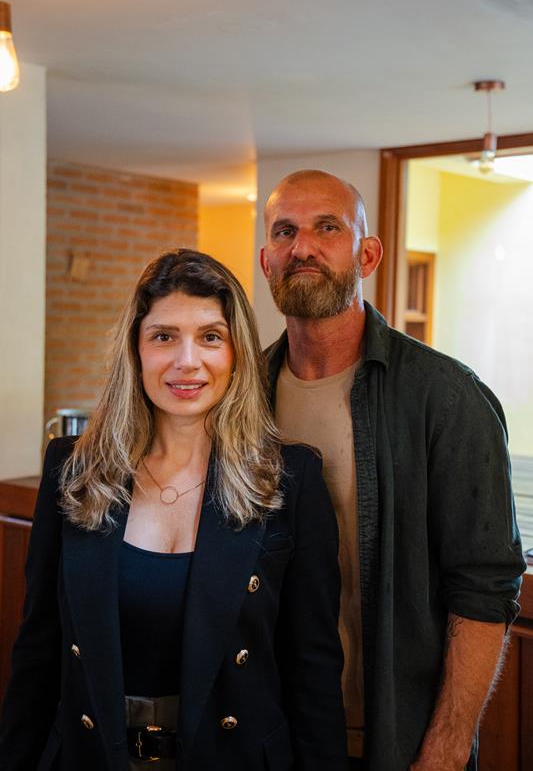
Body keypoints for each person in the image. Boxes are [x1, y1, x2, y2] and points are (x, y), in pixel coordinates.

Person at [0, 249, 348, 771]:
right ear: (136, 349)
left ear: (237, 352)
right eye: (164, 336)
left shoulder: (291, 480)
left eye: (210, 336)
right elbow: (37, 653)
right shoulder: (71, 471)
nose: (187, 361)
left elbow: (313, 670)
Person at [259, 169, 526, 771]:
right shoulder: (241, 397)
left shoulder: (446, 397)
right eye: (285, 231)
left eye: (328, 228)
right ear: (266, 260)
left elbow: (485, 587)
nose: (302, 247)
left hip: (396, 742)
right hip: (272, 735)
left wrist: (446, 751)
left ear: (368, 255)